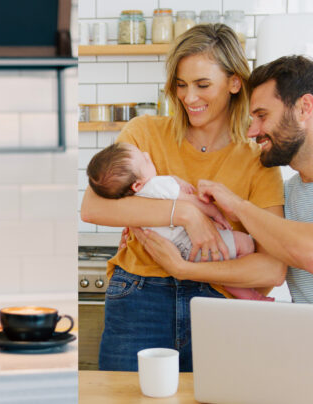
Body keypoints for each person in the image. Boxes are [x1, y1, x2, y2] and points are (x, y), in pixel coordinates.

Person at [134, 55, 313, 378]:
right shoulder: (285, 196)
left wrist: (239, 206)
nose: (252, 130)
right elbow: (263, 275)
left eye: (261, 115)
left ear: (304, 108)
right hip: (312, 375)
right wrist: (161, 226)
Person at [79, 24, 286, 372]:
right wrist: (186, 214)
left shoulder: (258, 160)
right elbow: (93, 206)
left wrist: (184, 268)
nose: (189, 97)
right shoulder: (144, 132)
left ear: (235, 82)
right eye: (180, 84)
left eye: (203, 85)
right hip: (139, 295)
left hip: (220, 305)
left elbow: (272, 268)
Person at [85, 142, 272, 301]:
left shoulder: (132, 200)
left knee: (219, 268)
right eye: (145, 160)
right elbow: (195, 203)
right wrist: (218, 216)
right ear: (136, 185)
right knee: (246, 244)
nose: (147, 154)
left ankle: (247, 294)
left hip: (176, 252)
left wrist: (175, 182)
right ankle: (251, 295)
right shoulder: (155, 185)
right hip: (193, 244)